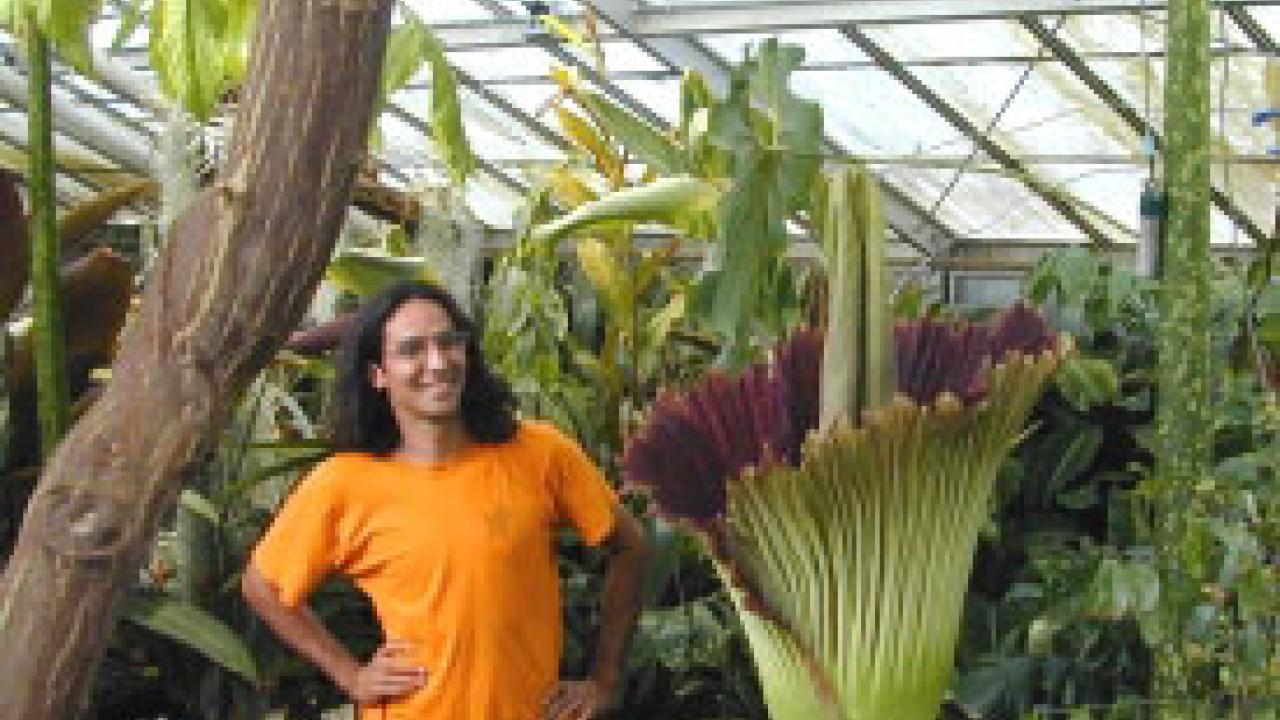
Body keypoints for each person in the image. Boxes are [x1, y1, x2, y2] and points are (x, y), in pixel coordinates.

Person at [242, 281, 651, 720]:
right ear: (377, 374)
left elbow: (630, 546)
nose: (436, 363)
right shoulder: (345, 483)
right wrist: (351, 676)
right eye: (411, 350)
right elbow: (262, 585)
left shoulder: (540, 453)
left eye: (448, 342)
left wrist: (605, 681)